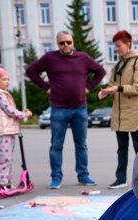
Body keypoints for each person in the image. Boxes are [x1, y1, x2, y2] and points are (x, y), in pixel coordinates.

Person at [26, 31, 105, 189]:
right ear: (58, 44)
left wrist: (89, 87)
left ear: (72, 42)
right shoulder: (50, 58)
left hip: (80, 108)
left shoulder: (82, 57)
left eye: (68, 42)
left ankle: (83, 175)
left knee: (81, 145)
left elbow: (100, 71)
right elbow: (30, 71)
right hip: (59, 108)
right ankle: (56, 177)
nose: (65, 45)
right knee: (56, 145)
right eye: (62, 43)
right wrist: (46, 87)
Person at [98, 30, 138, 190]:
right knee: (121, 148)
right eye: (115, 46)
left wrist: (117, 88)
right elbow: (112, 84)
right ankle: (121, 179)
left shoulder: (137, 63)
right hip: (119, 114)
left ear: (128, 44)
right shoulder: (118, 64)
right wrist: (105, 91)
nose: (116, 49)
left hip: (134, 113)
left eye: (119, 45)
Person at [0, 68, 33, 190]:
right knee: (5, 158)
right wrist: (23, 114)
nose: (7, 82)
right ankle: (3, 184)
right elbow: (9, 110)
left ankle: (7, 182)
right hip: (4, 131)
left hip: (7, 130)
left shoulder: (1, 94)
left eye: (8, 79)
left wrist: (20, 113)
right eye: (4, 79)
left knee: (7, 158)